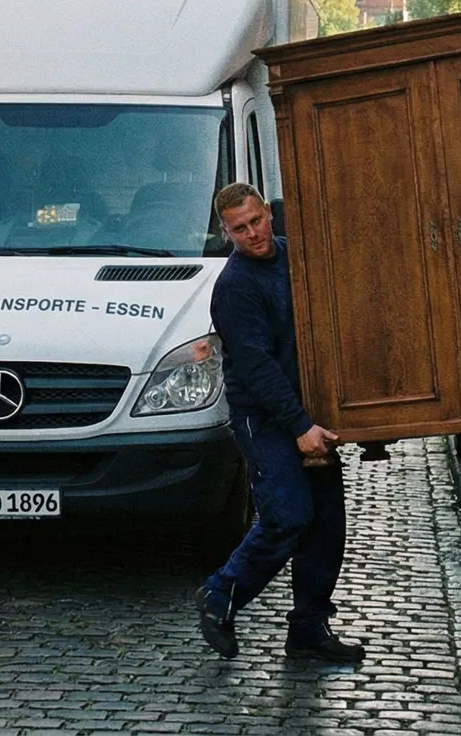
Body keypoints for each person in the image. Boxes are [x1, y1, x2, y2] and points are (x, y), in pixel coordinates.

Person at [195, 182, 364, 665]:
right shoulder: (235, 287)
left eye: (256, 221)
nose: (252, 234)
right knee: (289, 516)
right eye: (239, 229)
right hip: (265, 418)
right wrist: (298, 427)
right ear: (227, 233)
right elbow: (257, 367)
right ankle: (220, 595)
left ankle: (309, 630)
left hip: (306, 411)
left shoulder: (297, 256)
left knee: (328, 525)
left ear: (268, 213)